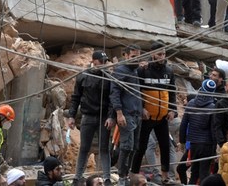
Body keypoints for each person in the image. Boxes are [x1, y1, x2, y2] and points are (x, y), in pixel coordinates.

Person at [130, 41, 177, 184]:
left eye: (164, 54)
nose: (162, 57)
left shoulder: (169, 71)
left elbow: (172, 92)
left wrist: (172, 110)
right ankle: (134, 174)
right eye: (159, 54)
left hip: (162, 117)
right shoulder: (143, 70)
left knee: (165, 145)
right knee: (141, 146)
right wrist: (141, 108)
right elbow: (136, 92)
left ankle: (165, 176)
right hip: (147, 116)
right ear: (152, 54)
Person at [68, 50, 114, 186]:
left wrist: (111, 117)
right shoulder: (83, 76)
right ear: (94, 62)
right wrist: (71, 116)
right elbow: (75, 98)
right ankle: (77, 177)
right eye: (102, 62)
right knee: (84, 148)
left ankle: (107, 179)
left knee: (104, 149)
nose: (105, 64)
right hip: (87, 116)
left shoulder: (110, 78)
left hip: (103, 117)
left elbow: (113, 100)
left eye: (106, 62)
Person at [110, 45, 142, 186]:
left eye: (138, 56)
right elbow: (115, 93)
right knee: (126, 146)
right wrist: (119, 113)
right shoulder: (120, 70)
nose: (136, 59)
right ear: (126, 55)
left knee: (134, 147)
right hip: (126, 114)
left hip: (137, 114)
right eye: (133, 57)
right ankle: (122, 177)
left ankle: (125, 174)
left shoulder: (135, 71)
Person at [179, 79, 218, 185]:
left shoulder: (191, 104)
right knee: (204, 174)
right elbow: (213, 130)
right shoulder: (212, 107)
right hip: (207, 145)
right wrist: (214, 149)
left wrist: (182, 141)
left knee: (194, 173)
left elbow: (183, 124)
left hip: (193, 144)